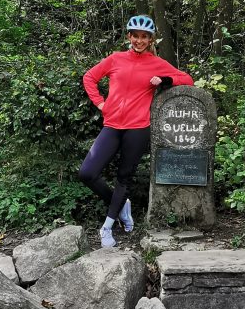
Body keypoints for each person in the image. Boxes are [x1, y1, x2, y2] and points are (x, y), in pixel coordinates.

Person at [79, 15, 194, 247]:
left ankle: (107, 227)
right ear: (129, 37)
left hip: (138, 129)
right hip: (112, 125)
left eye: (145, 37)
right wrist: (101, 104)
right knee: (87, 173)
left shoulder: (157, 62)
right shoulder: (115, 59)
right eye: (136, 36)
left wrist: (164, 79)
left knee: (124, 177)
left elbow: (187, 79)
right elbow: (89, 77)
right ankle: (121, 205)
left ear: (151, 40)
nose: (139, 40)